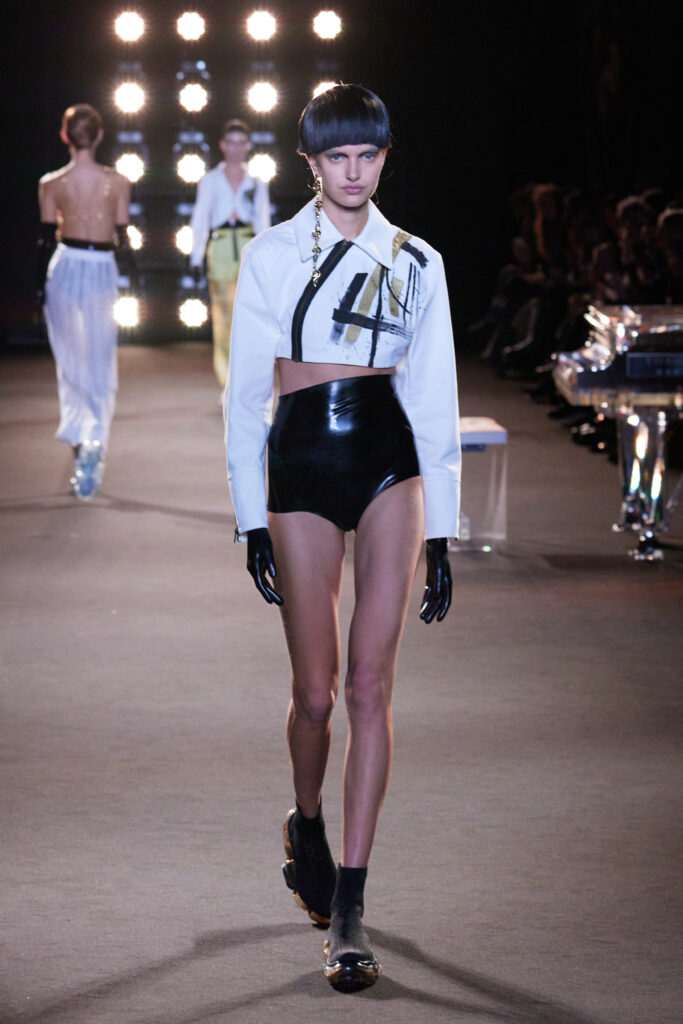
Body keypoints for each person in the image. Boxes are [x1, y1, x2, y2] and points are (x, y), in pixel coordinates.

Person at [225, 85, 461, 993]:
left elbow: (432, 394)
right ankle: (308, 823)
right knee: (316, 695)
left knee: (370, 687)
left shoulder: (418, 260)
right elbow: (246, 395)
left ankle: (352, 908)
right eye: (336, 157)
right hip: (301, 461)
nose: (353, 171)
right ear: (311, 164)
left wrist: (441, 529)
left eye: (367, 154)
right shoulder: (273, 256)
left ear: (385, 156)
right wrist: (250, 513)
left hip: (388, 460)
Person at [38, 103, 133, 500]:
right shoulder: (119, 181)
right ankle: (93, 442)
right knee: (99, 357)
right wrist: (132, 283)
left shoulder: (51, 183)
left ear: (65, 136)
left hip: (64, 268)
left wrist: (37, 292)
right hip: (101, 268)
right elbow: (124, 239)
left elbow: (45, 242)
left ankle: (84, 440)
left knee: (71, 359)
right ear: (99, 135)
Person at [189, 119, 271, 388]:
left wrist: (265, 258)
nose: (236, 148)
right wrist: (196, 257)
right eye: (231, 143)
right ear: (223, 145)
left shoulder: (257, 181)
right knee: (224, 316)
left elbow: (263, 220)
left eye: (241, 143)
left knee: (250, 315)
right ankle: (228, 382)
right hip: (222, 245)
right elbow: (200, 218)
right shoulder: (210, 180)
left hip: (248, 245)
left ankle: (248, 378)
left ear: (248, 146)